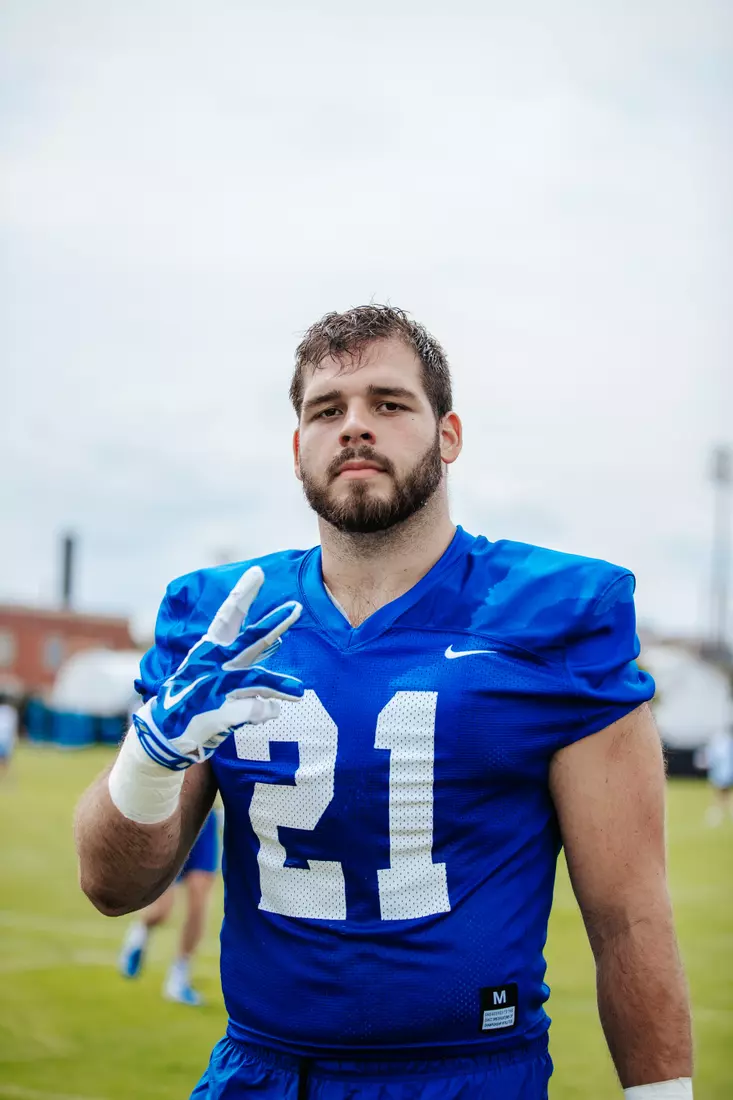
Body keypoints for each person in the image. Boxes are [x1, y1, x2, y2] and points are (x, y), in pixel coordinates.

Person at [75, 305, 693, 1100]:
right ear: (297, 448)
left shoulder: (555, 612)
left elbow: (628, 918)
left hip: (468, 1079)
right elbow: (111, 887)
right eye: (325, 410)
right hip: (261, 1074)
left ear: (448, 435)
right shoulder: (223, 618)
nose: (354, 426)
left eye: (389, 402)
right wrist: (150, 758)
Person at [118, 808, 220, 1005]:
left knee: (199, 899)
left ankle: (179, 978)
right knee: (160, 911)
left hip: (205, 819)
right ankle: (139, 933)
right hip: (169, 818)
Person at [704, 727, 733, 826]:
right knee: (724, 796)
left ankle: (717, 814)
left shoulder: (725, 744)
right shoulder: (727, 744)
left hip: (723, 775)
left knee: (720, 796)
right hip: (724, 774)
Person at [0, 695, 18, 779]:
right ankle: (4, 775)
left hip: (3, 737)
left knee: (3, 758)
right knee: (5, 759)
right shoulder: (11, 711)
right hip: (6, 738)